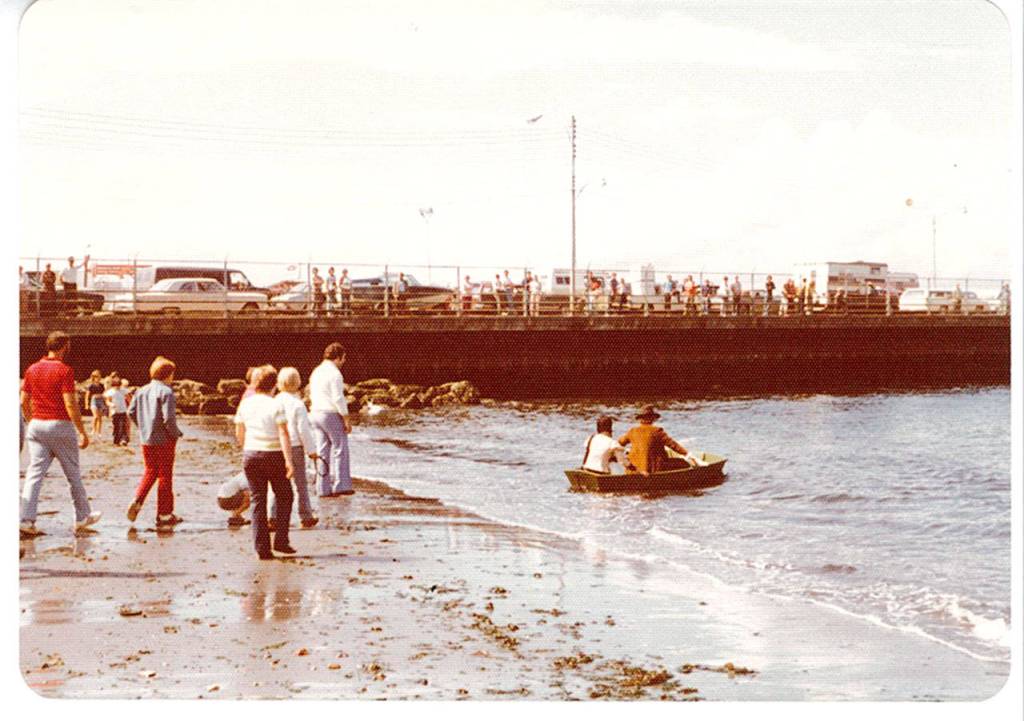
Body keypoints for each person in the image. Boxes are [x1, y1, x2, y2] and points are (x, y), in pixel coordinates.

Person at [20, 331, 101, 537]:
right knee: (72, 473)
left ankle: (26, 519)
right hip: (60, 425)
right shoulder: (65, 371)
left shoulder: (31, 369)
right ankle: (82, 516)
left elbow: (23, 401)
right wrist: (82, 431)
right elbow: (70, 403)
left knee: (34, 474)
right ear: (65, 346)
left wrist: (31, 421)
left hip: (37, 424)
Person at [234, 365, 296, 559]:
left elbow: (239, 431)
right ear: (274, 385)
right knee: (285, 496)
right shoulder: (275, 404)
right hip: (274, 454)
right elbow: (283, 433)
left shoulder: (245, 404)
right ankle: (281, 540)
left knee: (258, 500)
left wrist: (246, 447)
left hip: (252, 454)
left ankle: (262, 547)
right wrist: (289, 460)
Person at [127, 356, 184, 528]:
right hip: (164, 439)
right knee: (165, 475)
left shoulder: (141, 390)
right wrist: (175, 434)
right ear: (168, 375)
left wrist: (142, 427)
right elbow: (168, 419)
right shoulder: (166, 392)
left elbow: (131, 411)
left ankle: (138, 498)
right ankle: (165, 514)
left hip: (147, 439)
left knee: (150, 471)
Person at [272, 367, 320, 529]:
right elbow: (303, 430)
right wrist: (311, 450)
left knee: (277, 484)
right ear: (298, 383)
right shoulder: (298, 404)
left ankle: (272, 516)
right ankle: (305, 515)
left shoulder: (274, 401)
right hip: (295, 446)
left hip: (277, 446)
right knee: (301, 484)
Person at [309, 342, 353, 496]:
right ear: (338, 357)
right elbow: (338, 398)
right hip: (330, 413)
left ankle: (322, 487)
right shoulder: (335, 374)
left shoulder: (317, 371)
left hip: (315, 412)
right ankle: (342, 485)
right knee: (340, 448)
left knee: (322, 451)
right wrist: (346, 418)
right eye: (344, 358)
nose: (344, 361)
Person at [618, 406, 692, 476]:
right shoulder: (657, 431)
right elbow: (673, 445)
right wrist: (687, 453)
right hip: (654, 468)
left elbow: (619, 443)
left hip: (635, 469)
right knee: (683, 462)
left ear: (640, 419)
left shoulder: (632, 431)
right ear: (652, 418)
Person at [104, 372, 130, 446]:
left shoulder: (123, 390)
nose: (117, 388)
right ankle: (116, 441)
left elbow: (128, 398)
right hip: (115, 412)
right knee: (116, 426)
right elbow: (107, 401)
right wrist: (111, 404)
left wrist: (130, 406)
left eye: (118, 386)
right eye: (116, 386)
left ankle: (124, 440)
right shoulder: (111, 392)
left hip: (123, 411)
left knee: (123, 426)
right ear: (113, 386)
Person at [84, 369, 106, 438]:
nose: (98, 378)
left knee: (100, 417)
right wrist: (86, 404)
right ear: (94, 377)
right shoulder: (91, 386)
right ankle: (93, 429)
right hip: (94, 401)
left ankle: (99, 431)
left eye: (99, 376)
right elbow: (87, 395)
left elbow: (104, 393)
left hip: (101, 400)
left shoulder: (102, 385)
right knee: (95, 416)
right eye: (96, 377)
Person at [120, 378, 133, 443]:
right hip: (121, 410)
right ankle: (124, 437)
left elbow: (130, 401)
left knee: (127, 424)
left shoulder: (128, 393)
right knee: (124, 424)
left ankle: (127, 437)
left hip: (126, 410)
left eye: (126, 386)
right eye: (124, 386)